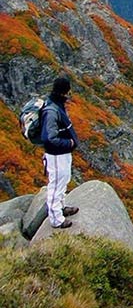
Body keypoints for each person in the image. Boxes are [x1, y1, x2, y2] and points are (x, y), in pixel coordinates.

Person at [41, 76, 80, 229]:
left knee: (63, 181)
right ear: (65, 91)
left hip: (62, 153)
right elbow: (49, 138)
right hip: (56, 155)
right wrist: (69, 143)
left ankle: (61, 208)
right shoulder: (51, 111)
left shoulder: (57, 104)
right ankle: (56, 219)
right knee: (56, 185)